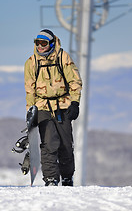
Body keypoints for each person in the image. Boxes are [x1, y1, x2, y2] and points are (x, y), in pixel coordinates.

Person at [24, 29, 82, 186]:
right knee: (49, 144)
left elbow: (74, 81)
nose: (40, 47)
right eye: (37, 43)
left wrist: (75, 102)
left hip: (63, 105)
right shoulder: (31, 62)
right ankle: (51, 179)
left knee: (65, 144)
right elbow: (30, 89)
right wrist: (31, 111)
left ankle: (67, 177)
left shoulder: (63, 57)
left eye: (43, 43)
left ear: (50, 43)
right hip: (42, 106)